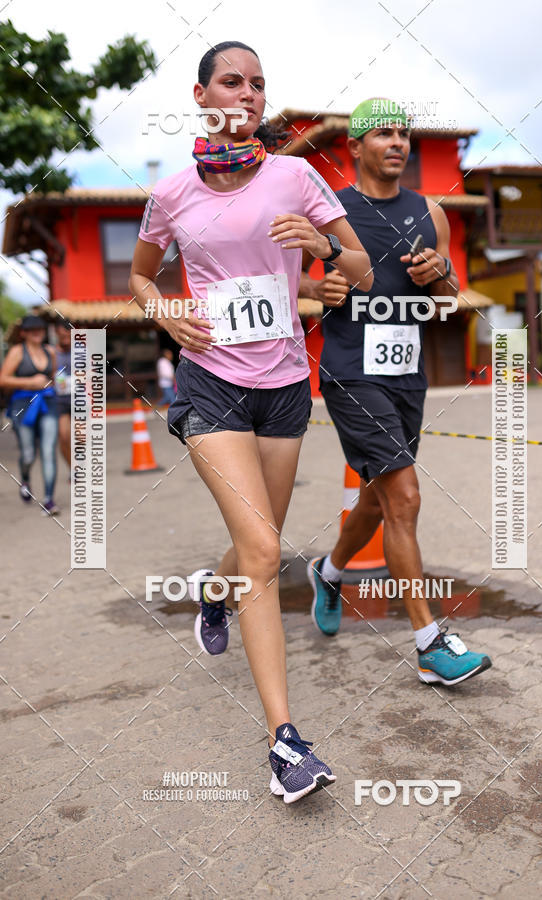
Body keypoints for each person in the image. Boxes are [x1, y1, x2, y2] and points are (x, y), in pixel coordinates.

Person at [129, 41, 373, 803]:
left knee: (251, 549)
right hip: (211, 386)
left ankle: (212, 591)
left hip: (284, 389)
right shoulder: (171, 193)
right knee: (266, 549)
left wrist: (328, 246)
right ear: (201, 95)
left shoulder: (295, 174)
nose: (248, 93)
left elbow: (359, 269)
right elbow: (139, 276)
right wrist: (165, 308)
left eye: (260, 83)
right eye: (232, 80)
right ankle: (285, 743)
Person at [301, 98, 492, 687]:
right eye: (383, 133)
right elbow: (310, 288)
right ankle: (431, 644)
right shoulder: (331, 210)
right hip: (351, 370)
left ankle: (329, 573)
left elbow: (446, 298)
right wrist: (324, 290)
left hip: (406, 372)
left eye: (404, 134)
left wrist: (439, 276)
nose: (398, 142)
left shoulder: (429, 212)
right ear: (354, 147)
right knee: (405, 496)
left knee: (379, 499)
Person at [0, 314, 60, 514]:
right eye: (33, 329)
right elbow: (3, 380)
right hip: (23, 404)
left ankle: (49, 499)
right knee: (28, 453)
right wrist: (29, 382)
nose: (37, 333)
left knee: (48, 449)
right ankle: (25, 479)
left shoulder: (50, 351)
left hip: (48, 402)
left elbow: (52, 378)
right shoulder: (17, 352)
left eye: (41, 329)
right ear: (24, 333)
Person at [54, 320, 73, 476]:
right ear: (56, 334)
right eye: (62, 334)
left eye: (68, 334)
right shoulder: (52, 353)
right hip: (59, 401)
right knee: (64, 437)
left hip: (79, 399)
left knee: (81, 438)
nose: (65, 337)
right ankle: (73, 469)